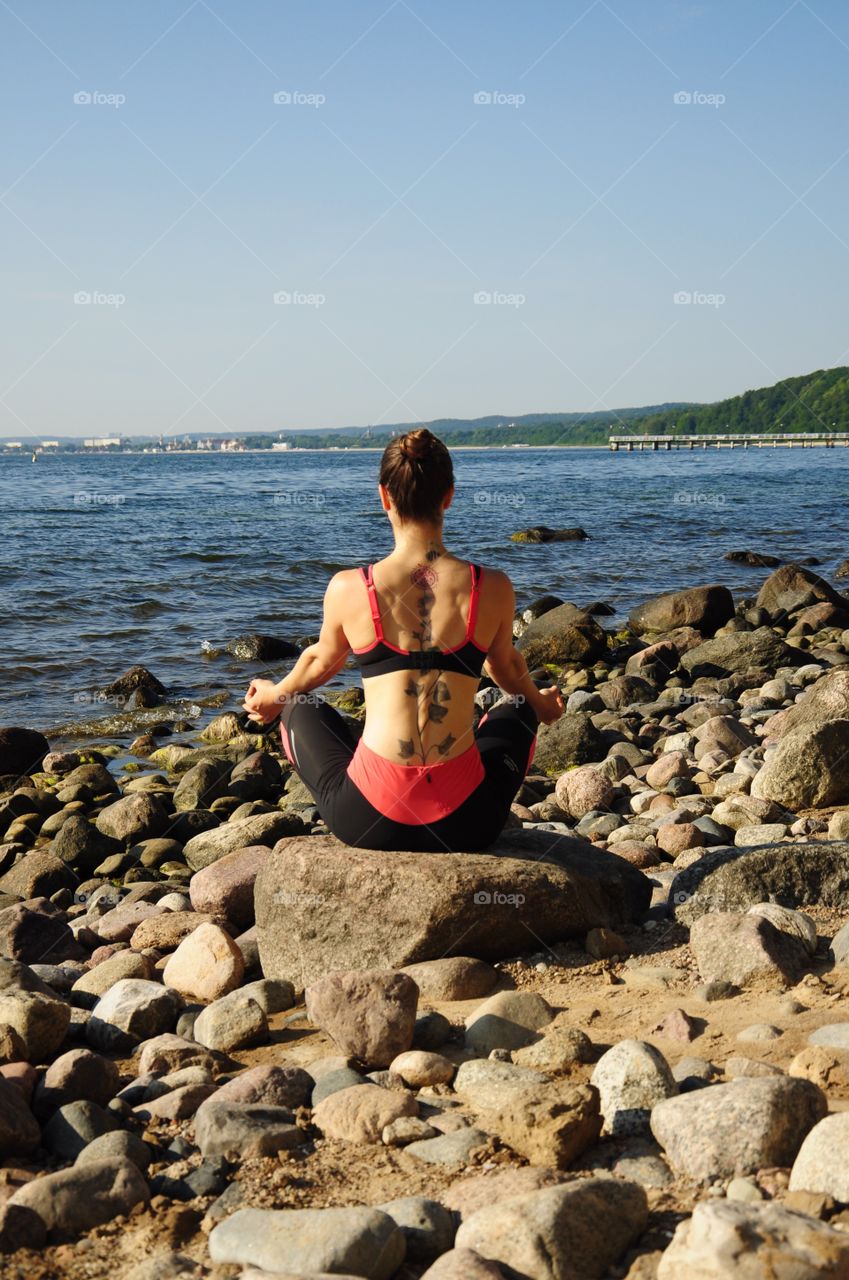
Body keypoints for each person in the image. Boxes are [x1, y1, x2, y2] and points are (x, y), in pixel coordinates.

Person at [243, 428, 564, 851]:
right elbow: (507, 669)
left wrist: (275, 694)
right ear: (449, 495)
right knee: (519, 709)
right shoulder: (493, 587)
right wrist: (540, 704)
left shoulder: (349, 587)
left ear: (384, 497)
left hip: (369, 821)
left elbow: (321, 662)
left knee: (298, 707)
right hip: (467, 823)